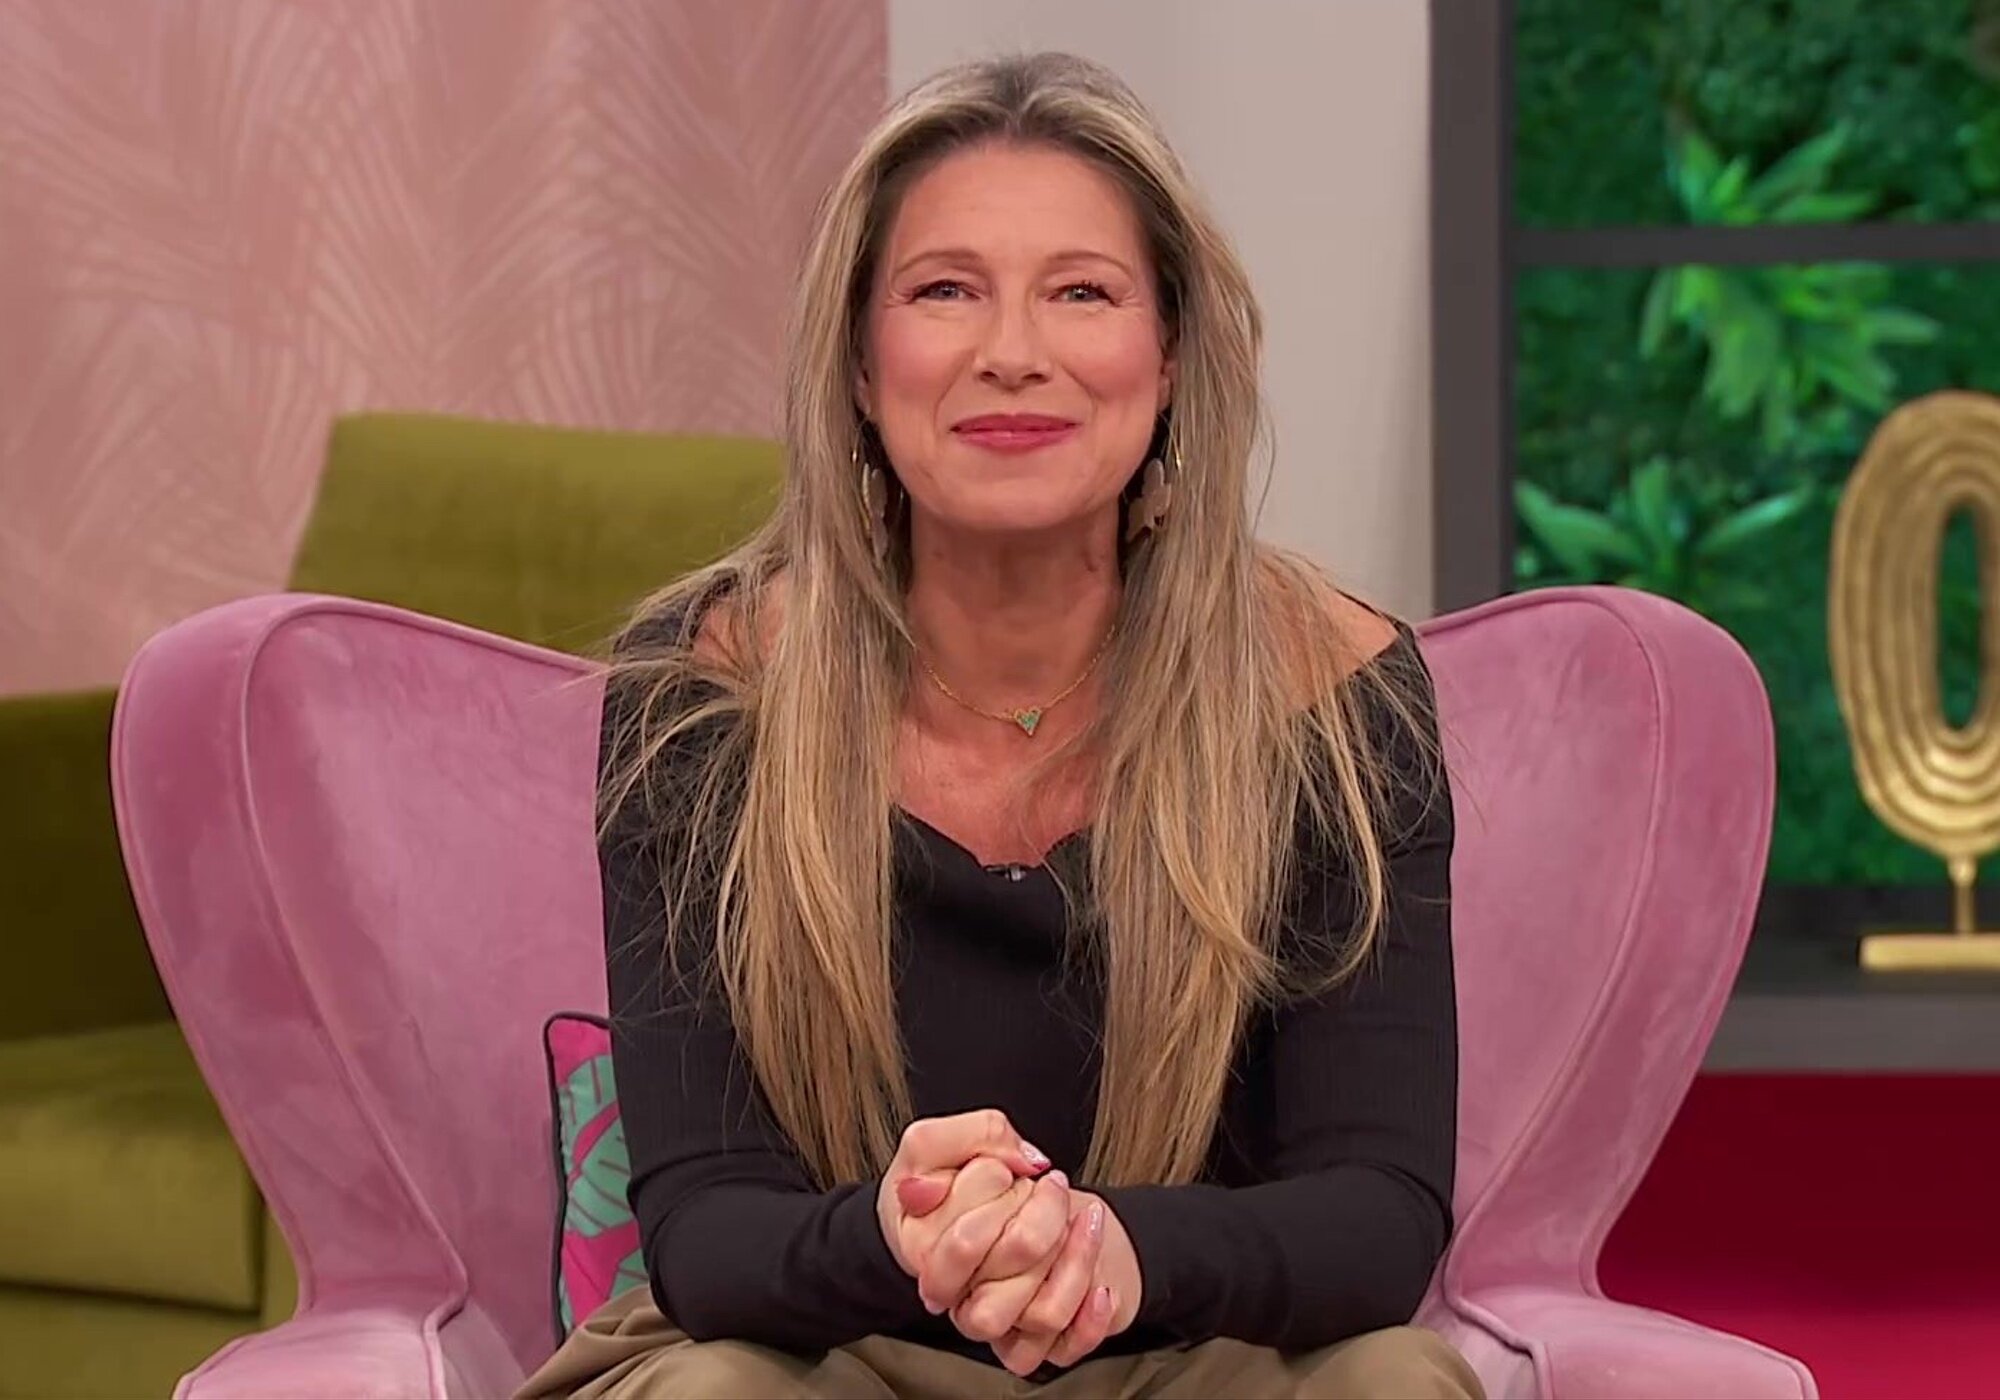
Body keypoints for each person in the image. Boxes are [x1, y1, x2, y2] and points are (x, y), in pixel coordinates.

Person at [518, 50, 1482, 1400]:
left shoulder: (1329, 692)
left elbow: (1378, 1212)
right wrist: (897, 1235)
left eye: (1082, 292)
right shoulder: (708, 692)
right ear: (861, 365)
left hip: (1186, 1348)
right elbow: (706, 1225)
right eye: (945, 292)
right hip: (822, 1348)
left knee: (1392, 1379)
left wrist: (1114, 1250)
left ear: (1170, 355)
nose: (1013, 353)